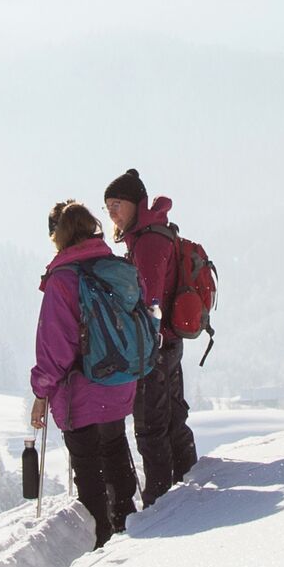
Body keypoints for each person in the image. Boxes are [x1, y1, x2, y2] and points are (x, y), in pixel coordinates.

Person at [30, 199, 141, 543]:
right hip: (120, 381)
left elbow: (55, 347)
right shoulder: (116, 268)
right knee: (115, 449)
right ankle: (130, 525)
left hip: (81, 389)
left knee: (89, 467)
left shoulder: (63, 280)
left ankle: (103, 540)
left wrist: (40, 393)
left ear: (58, 236)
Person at [103, 168, 198, 504]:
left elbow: (150, 301)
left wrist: (143, 345)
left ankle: (161, 501)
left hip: (154, 347)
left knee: (150, 427)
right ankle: (187, 479)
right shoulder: (150, 234)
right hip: (168, 341)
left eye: (116, 204)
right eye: (107, 206)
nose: (112, 212)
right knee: (171, 418)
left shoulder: (148, 241)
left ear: (134, 204)